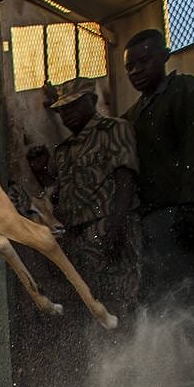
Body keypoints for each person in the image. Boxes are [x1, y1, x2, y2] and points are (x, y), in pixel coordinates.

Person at [122, 28, 194, 306]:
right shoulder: (134, 113)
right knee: (160, 290)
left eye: (145, 61)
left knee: (187, 284)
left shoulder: (187, 91)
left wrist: (192, 205)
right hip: (153, 215)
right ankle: (172, 348)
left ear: (165, 57)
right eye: (130, 66)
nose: (137, 71)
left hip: (184, 207)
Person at [44, 77, 142, 318]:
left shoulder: (114, 130)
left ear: (93, 100)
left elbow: (125, 179)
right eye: (63, 109)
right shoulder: (64, 150)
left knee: (120, 299)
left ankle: (135, 354)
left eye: (74, 105)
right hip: (76, 238)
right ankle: (99, 356)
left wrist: (117, 225)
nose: (67, 114)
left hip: (109, 227)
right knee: (88, 306)